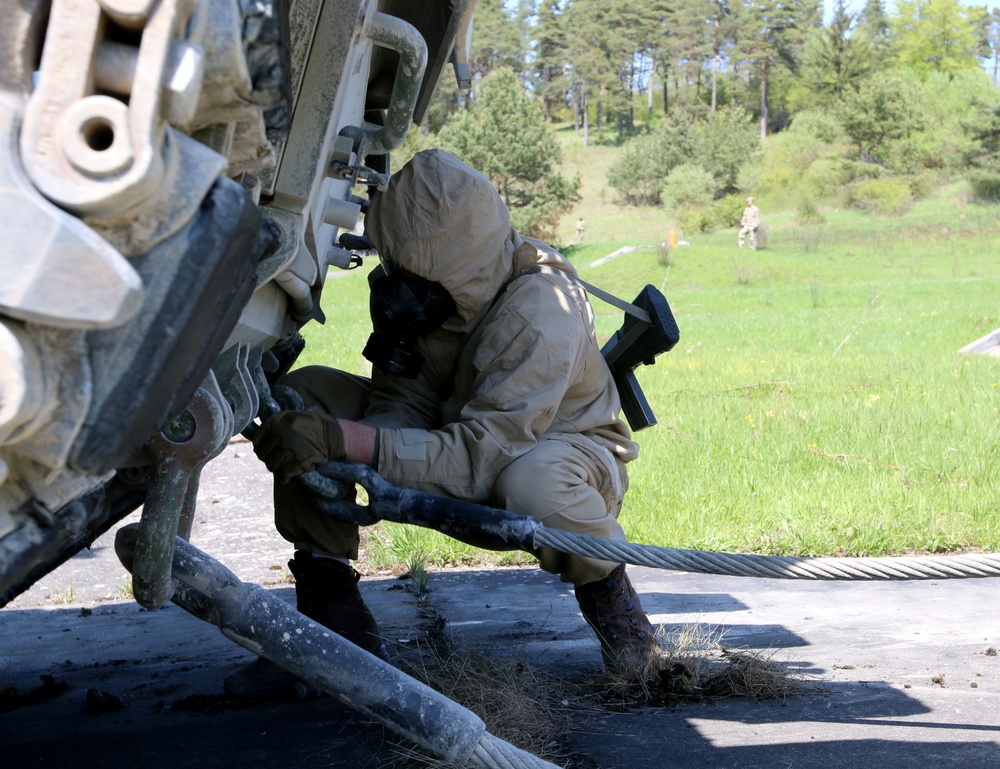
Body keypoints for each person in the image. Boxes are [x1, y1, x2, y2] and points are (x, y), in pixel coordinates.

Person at [225, 149, 655, 698]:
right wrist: (345, 440)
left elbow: (481, 460)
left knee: (534, 483)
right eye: (392, 263)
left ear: (456, 261)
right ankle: (333, 625)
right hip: (456, 434)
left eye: (406, 268)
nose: (394, 279)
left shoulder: (540, 313)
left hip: (560, 450)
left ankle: (621, 617)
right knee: (309, 397)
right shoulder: (436, 291)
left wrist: (350, 444)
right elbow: (402, 398)